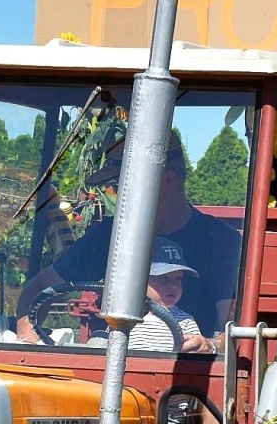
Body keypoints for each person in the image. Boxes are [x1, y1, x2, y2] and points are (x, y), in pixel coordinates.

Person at [15, 129, 241, 344]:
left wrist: (209, 346)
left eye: (123, 183)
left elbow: (232, 332)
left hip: (190, 378)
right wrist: (28, 336)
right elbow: (39, 291)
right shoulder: (109, 235)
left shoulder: (220, 242)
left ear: (166, 181)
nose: (115, 193)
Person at [130, 238, 211, 355]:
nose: (174, 286)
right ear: (140, 279)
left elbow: (195, 355)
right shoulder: (126, 315)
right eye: (164, 278)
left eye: (178, 279)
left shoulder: (186, 321)